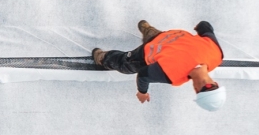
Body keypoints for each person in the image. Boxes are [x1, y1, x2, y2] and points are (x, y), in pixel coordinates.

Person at [93, 21, 225, 109]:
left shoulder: (216, 54)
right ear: (196, 91)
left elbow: (205, 26)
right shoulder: (173, 74)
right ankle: (102, 57)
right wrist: (142, 92)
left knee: (158, 38)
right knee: (124, 64)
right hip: (147, 53)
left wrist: (196, 30)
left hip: (169, 37)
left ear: (216, 84)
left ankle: (147, 29)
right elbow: (143, 75)